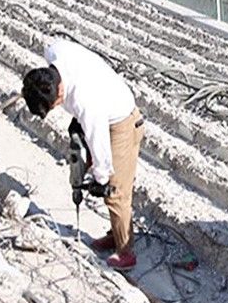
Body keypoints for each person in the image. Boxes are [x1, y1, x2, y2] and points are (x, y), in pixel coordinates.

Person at [22, 38, 144, 270]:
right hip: (105, 102)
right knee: (103, 175)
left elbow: (101, 150)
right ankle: (115, 233)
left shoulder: (86, 103)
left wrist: (100, 179)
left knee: (116, 192)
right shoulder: (54, 54)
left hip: (122, 121)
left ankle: (125, 253)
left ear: (59, 90)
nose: (57, 106)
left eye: (55, 104)